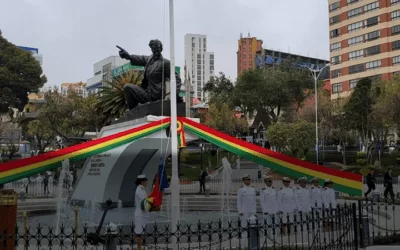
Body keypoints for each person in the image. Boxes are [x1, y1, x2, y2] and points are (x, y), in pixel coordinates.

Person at [117, 40, 183, 110]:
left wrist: (176, 93)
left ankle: (134, 111)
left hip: (155, 96)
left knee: (127, 87)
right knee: (127, 87)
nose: (156, 52)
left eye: (158, 49)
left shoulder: (165, 63)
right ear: (151, 49)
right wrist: (128, 56)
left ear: (161, 49)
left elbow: (177, 78)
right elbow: (140, 59)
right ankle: (133, 111)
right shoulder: (149, 59)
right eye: (154, 49)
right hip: (146, 93)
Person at [134, 174, 149, 250]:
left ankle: (140, 247)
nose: (147, 182)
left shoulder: (142, 189)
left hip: (143, 214)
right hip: (140, 214)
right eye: (146, 181)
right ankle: (139, 247)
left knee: (141, 231)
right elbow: (144, 201)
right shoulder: (140, 189)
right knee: (139, 232)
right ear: (142, 182)